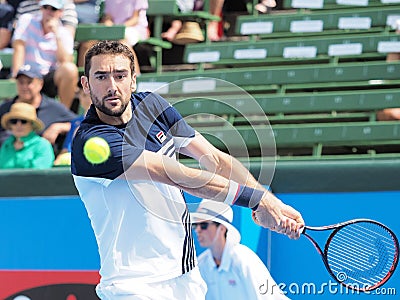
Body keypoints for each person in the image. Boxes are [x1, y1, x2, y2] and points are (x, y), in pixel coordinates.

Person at [71, 40, 304, 299]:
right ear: (86, 84)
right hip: (133, 285)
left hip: (186, 277)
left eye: (120, 75)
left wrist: (270, 201)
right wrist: (257, 201)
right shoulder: (92, 142)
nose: (112, 86)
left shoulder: (152, 106)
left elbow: (215, 159)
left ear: (133, 80)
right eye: (101, 76)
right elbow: (179, 175)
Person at [191, 200, 289, 300]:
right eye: (195, 225)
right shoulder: (201, 264)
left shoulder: (244, 260)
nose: (197, 230)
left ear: (222, 228)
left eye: (203, 225)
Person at [11, 0, 79, 109]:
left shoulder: (63, 32)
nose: (48, 11)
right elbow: (19, 46)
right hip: (27, 73)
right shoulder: (26, 19)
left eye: (53, 9)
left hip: (49, 76)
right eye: (45, 7)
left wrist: (56, 34)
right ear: (41, 8)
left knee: (70, 69)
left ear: (60, 12)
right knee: (23, 80)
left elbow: (65, 61)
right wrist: (15, 74)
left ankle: (63, 114)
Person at [0, 65, 77, 148]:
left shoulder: (52, 107)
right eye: (21, 82)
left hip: (40, 157)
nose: (24, 87)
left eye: (29, 82)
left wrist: (59, 127)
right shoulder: (5, 108)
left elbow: (79, 123)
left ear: (40, 84)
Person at [0, 102, 54, 169]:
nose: (18, 125)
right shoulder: (6, 145)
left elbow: (40, 174)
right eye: (14, 121)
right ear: (10, 125)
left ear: (32, 125)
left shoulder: (42, 145)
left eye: (23, 121)